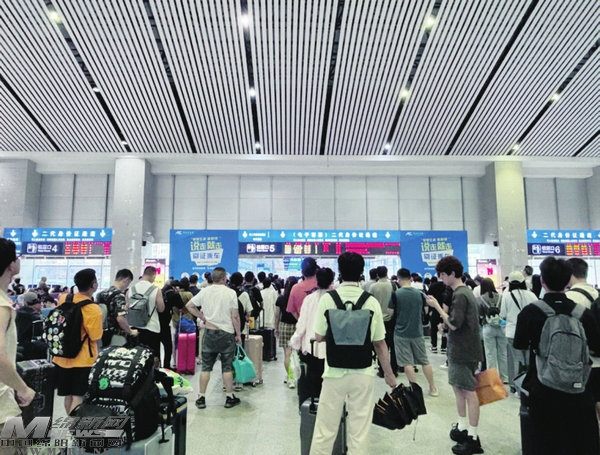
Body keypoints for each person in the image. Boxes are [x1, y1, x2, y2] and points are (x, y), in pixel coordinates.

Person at [311, 252, 397, 454]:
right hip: (363, 372)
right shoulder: (371, 302)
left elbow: (319, 336)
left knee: (325, 429)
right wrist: (389, 373)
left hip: (333, 372)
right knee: (359, 431)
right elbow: (380, 343)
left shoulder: (328, 299)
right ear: (361, 273)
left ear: (339, 272)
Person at [514, 257, 600, 454]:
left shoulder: (531, 312)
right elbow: (596, 347)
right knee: (577, 442)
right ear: (568, 281)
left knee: (545, 443)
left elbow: (519, 345)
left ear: (542, 281)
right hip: (579, 389)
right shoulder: (583, 314)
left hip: (542, 389)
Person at [425, 256, 484, 455]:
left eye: (442, 274)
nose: (441, 278)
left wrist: (437, 308)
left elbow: (454, 323)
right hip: (462, 348)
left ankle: (472, 436)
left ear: (452, 273)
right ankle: (463, 427)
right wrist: (446, 324)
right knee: (459, 388)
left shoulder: (460, 294)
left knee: (468, 391)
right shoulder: (464, 292)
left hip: (463, 350)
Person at [186, 267, 242, 409]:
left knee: (206, 367)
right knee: (227, 367)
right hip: (226, 334)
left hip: (209, 332)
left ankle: (201, 398)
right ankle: (229, 397)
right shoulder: (230, 293)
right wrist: (238, 334)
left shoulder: (205, 291)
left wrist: (202, 317)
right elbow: (235, 316)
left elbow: (189, 306)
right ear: (224, 278)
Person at [53, 268, 103, 414]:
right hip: (83, 359)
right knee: (78, 396)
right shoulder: (93, 308)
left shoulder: (64, 298)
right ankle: (73, 426)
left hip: (61, 356)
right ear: (93, 285)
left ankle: (69, 422)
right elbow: (95, 336)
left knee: (68, 395)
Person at [0, 239, 36, 436]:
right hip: (2, 406)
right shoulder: (2, 306)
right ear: (11, 265)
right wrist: (23, 389)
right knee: (13, 445)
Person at [389, 268, 438, 396]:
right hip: (417, 332)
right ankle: (433, 387)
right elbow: (426, 311)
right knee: (424, 361)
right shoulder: (420, 294)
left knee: (407, 363)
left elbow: (390, 313)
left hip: (400, 333)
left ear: (398, 279)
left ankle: (414, 389)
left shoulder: (396, 294)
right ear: (410, 278)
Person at [565, 258, 600, 425]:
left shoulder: (569, 298)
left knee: (586, 413)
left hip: (584, 363)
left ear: (569, 274)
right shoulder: (597, 293)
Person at [289, 268, 334, 399]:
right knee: (329, 386)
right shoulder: (335, 299)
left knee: (311, 383)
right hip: (331, 350)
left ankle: (312, 406)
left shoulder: (309, 299)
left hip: (310, 348)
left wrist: (295, 342)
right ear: (331, 281)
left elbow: (302, 324)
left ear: (316, 280)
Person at [499, 271, 537, 392]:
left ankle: (516, 386)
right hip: (529, 332)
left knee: (517, 360)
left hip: (512, 332)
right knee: (529, 360)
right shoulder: (531, 295)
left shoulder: (507, 295)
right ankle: (529, 385)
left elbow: (503, 314)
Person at [127, 266, 165, 361]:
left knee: (134, 359)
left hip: (133, 328)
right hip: (151, 328)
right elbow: (161, 309)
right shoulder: (156, 290)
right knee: (153, 358)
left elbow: (126, 307)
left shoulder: (130, 289)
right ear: (153, 275)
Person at [96, 268, 137, 347]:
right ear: (126, 280)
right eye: (128, 283)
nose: (127, 286)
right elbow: (120, 319)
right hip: (115, 336)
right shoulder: (119, 296)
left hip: (101, 333)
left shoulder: (100, 294)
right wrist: (130, 331)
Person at [369, 266, 398, 377]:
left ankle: (382, 370)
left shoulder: (373, 287)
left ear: (377, 275)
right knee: (393, 346)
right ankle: (394, 370)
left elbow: (370, 302)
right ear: (387, 273)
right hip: (392, 319)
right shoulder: (393, 285)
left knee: (380, 346)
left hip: (378, 319)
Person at [478, 278, 507, 383]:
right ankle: (504, 377)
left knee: (490, 354)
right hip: (501, 327)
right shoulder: (501, 297)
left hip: (488, 328)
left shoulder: (480, 299)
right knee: (503, 353)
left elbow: (480, 315)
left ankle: (492, 378)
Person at [275, 276, 299, 386]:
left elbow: (277, 315)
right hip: (296, 326)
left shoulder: (280, 298)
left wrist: (276, 328)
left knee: (287, 353)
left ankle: (290, 377)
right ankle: (294, 375)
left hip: (284, 326)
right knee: (296, 353)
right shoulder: (297, 298)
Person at [15, 291, 46, 360]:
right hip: (30, 347)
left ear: (25, 302)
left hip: (16, 344)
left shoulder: (15, 313)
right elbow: (38, 335)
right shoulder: (36, 317)